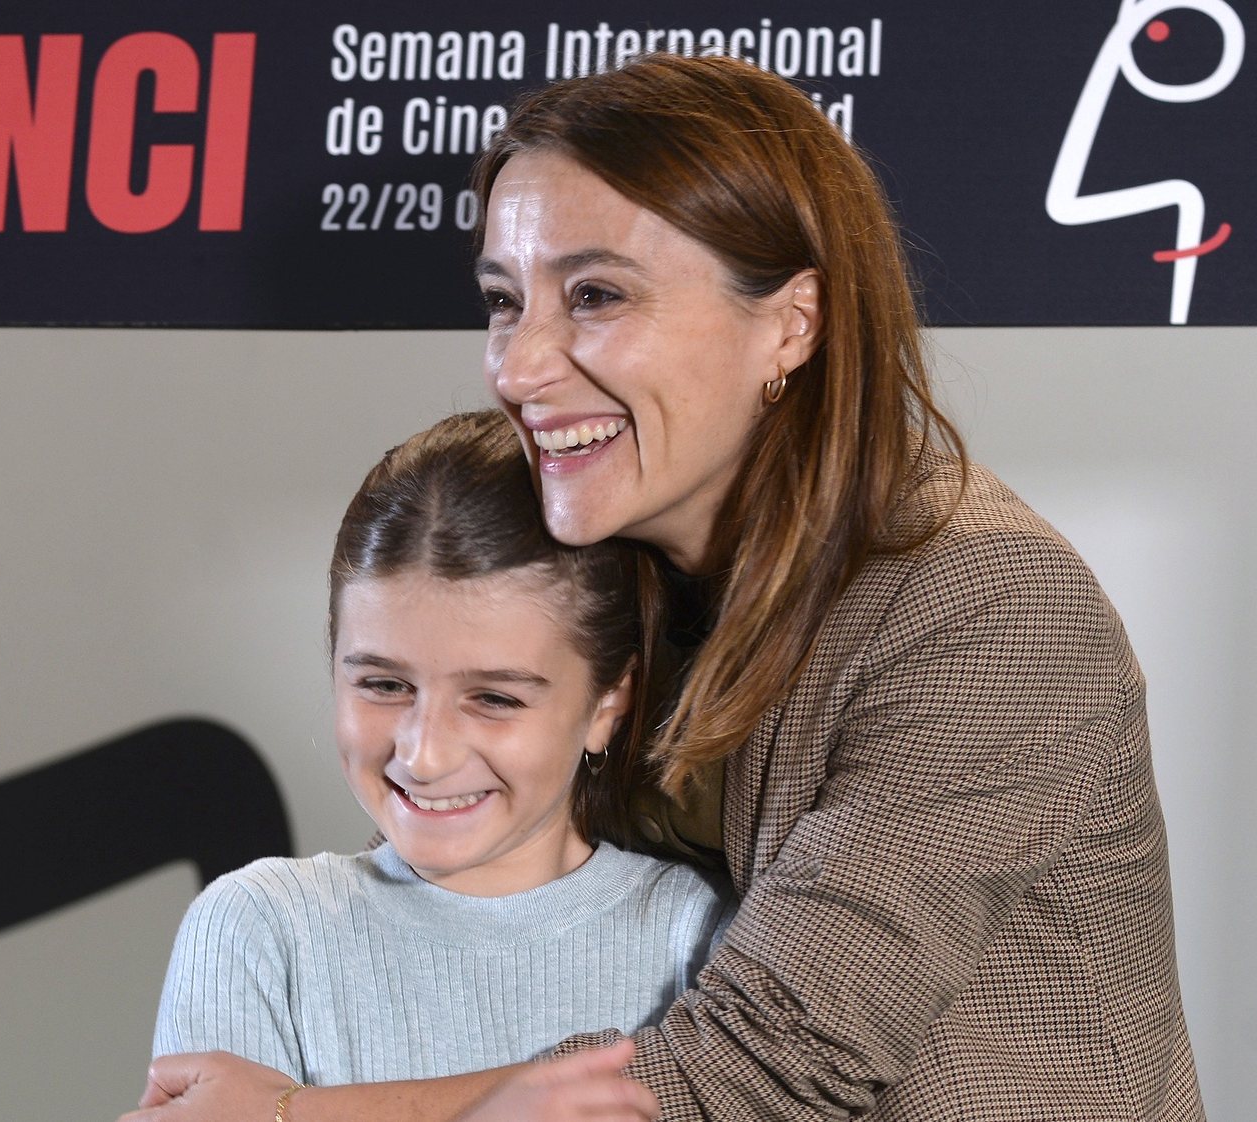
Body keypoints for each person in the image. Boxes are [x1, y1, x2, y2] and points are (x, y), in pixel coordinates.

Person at [130, 52, 1202, 1122]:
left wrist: (289, 1114)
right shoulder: (624, 551)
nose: (516, 364)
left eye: (595, 295)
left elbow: (766, 1066)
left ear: (791, 322)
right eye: (503, 301)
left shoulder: (991, 610)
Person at [149, 411, 723, 1117]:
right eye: (385, 685)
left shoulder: (697, 935)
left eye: (493, 698)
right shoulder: (258, 931)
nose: (424, 755)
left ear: (608, 702)